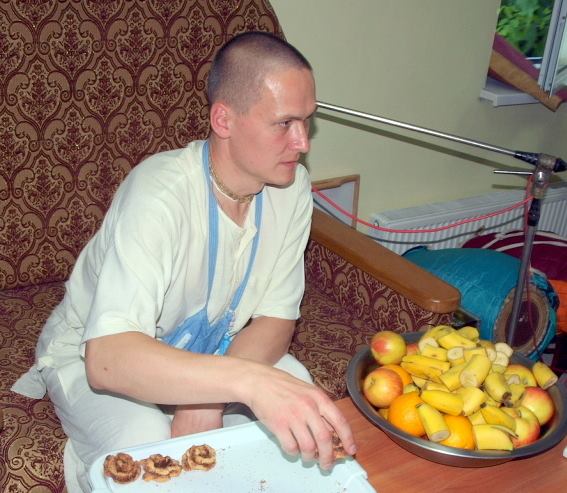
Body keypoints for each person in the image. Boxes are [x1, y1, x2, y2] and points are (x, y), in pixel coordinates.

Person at [12, 31, 356, 491]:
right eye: (284, 123)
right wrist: (241, 383)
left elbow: (277, 320)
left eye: (307, 121)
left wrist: (208, 397)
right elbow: (108, 359)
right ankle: (89, 467)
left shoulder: (292, 189)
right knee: (147, 448)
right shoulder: (159, 193)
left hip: (211, 351)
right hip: (90, 355)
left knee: (301, 412)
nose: (303, 142)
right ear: (224, 119)